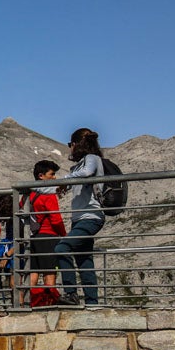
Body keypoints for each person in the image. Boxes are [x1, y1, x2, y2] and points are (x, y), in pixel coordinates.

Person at [54, 128, 107, 306]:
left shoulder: (92, 159)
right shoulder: (77, 166)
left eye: (70, 144)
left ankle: (71, 294)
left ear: (76, 144)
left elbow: (86, 173)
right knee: (84, 260)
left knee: (62, 248)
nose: (70, 148)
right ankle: (92, 303)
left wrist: (65, 179)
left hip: (91, 216)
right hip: (79, 218)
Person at [23, 160, 65, 305]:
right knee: (50, 272)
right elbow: (56, 219)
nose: (54, 177)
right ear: (41, 176)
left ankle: (27, 303)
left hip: (34, 237)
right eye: (52, 174)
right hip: (49, 236)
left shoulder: (29, 194)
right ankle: (49, 304)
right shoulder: (49, 195)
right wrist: (64, 236)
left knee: (33, 271)